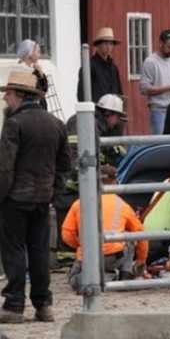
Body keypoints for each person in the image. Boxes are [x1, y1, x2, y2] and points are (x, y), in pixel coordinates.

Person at [0, 70, 70, 323]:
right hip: (43, 198)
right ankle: (43, 305)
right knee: (39, 251)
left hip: (15, 198)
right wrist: (53, 192)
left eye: (8, 93)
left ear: (19, 94)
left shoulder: (14, 124)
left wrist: (1, 196)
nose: (5, 98)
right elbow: (64, 165)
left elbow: (5, 167)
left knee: (14, 251)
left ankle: (14, 306)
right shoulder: (56, 124)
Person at [54, 94, 127, 251]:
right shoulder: (87, 123)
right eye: (117, 117)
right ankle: (69, 257)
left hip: (75, 181)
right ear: (110, 114)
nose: (117, 123)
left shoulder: (95, 124)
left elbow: (98, 152)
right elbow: (76, 156)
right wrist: (102, 169)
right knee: (70, 219)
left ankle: (73, 254)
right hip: (71, 182)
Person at [62, 169, 148, 292]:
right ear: (115, 182)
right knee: (130, 239)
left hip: (86, 257)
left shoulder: (80, 203)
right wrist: (141, 260)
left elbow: (67, 234)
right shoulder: (122, 204)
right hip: (113, 257)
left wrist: (81, 246)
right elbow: (141, 235)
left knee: (76, 276)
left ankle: (83, 276)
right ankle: (124, 275)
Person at [140, 29, 170, 134]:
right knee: (161, 143)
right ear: (160, 43)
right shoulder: (150, 62)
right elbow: (144, 89)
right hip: (159, 110)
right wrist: (169, 88)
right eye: (169, 47)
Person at [77, 27, 123, 103]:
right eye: (105, 43)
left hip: (112, 112)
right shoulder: (89, 66)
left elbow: (119, 92)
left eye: (111, 44)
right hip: (96, 112)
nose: (109, 47)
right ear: (98, 45)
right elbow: (81, 95)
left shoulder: (114, 68)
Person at [16, 39, 49, 110]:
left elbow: (44, 89)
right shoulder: (21, 70)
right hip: (30, 111)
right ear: (30, 53)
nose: (39, 55)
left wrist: (40, 73)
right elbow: (41, 91)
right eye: (38, 52)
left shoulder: (34, 70)